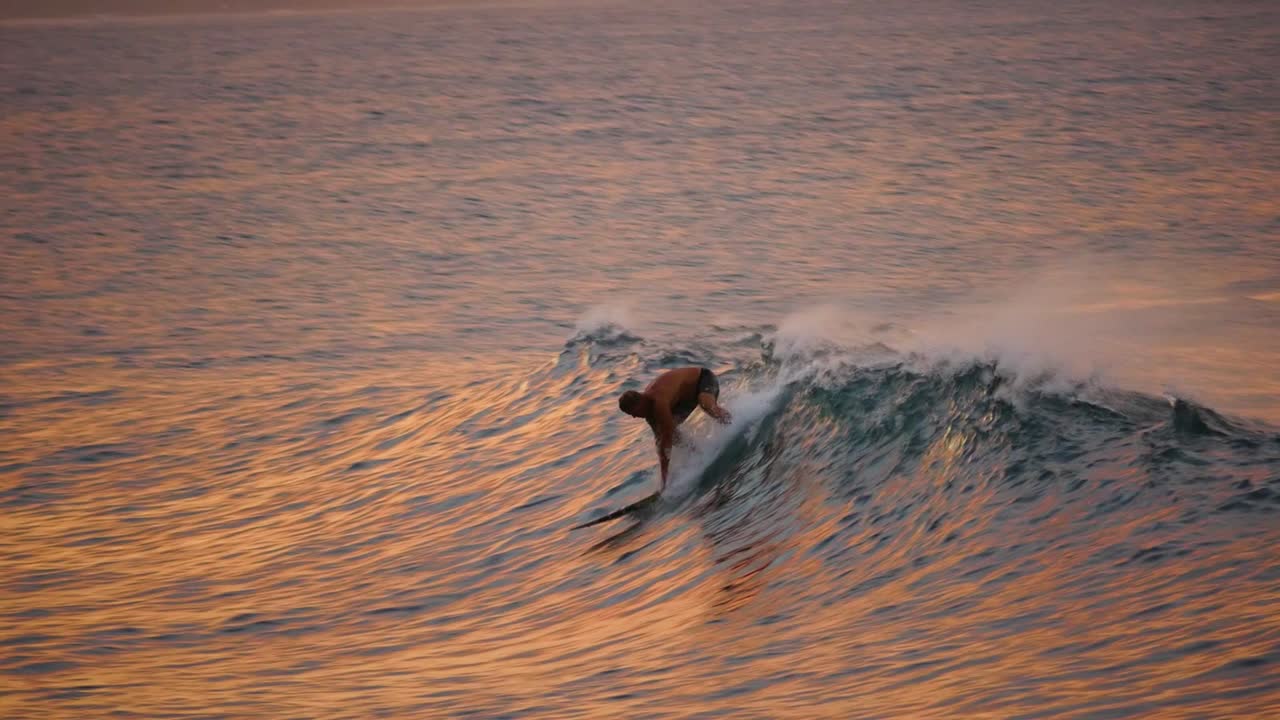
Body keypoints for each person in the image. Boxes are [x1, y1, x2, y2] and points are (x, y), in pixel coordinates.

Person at [618, 367, 732, 490]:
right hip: (684, 400)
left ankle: (733, 424)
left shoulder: (659, 401)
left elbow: (666, 438)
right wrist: (665, 480)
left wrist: (664, 479)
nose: (634, 417)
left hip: (703, 379)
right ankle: (698, 455)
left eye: (633, 412)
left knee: (706, 404)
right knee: (672, 435)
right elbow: (661, 442)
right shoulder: (650, 414)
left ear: (640, 403)